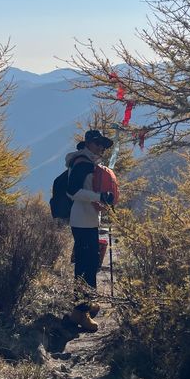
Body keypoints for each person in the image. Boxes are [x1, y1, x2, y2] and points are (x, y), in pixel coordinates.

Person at [65, 129, 115, 331]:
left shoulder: (88, 162)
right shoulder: (83, 163)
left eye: (103, 144)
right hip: (83, 220)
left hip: (86, 219)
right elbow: (73, 191)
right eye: (97, 143)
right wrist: (100, 197)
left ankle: (86, 303)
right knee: (85, 266)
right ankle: (80, 312)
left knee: (88, 262)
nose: (101, 147)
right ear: (87, 143)